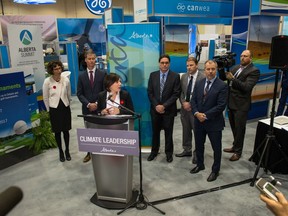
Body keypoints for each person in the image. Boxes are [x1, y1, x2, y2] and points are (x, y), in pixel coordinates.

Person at [190, 60, 227, 182]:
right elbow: (193, 100)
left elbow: (221, 106)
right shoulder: (199, 83)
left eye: (213, 69)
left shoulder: (222, 85)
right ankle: (200, 165)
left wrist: (204, 115)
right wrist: (196, 113)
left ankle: (215, 170)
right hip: (199, 122)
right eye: (208, 69)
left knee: (216, 148)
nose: (210, 71)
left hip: (214, 123)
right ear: (204, 70)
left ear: (216, 70)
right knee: (199, 145)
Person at [223, 50, 260, 161]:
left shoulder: (254, 71)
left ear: (251, 58)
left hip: (241, 105)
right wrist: (221, 70)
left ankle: (238, 152)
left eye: (245, 56)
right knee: (234, 128)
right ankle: (235, 146)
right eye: (241, 55)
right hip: (231, 102)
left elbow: (246, 87)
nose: (242, 58)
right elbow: (225, 78)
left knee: (240, 130)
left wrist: (233, 79)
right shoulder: (236, 68)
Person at [147, 54, 181, 163]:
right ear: (159, 64)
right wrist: (157, 105)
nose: (164, 65)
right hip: (155, 110)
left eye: (166, 63)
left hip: (168, 111)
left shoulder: (175, 76)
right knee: (155, 133)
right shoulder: (153, 75)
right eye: (162, 63)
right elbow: (150, 92)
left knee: (168, 133)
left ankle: (168, 153)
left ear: (169, 64)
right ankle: (154, 152)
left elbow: (176, 94)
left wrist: (164, 106)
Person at [77, 49, 106, 163]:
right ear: (85, 60)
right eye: (89, 59)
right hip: (87, 108)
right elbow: (79, 93)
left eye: (93, 59)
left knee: (100, 130)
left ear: (96, 60)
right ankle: (89, 153)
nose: (91, 61)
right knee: (89, 131)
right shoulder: (81, 76)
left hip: (100, 108)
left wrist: (97, 104)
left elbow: (105, 91)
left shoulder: (102, 74)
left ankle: (101, 151)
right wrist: (88, 104)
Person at [175, 57, 205, 165]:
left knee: (197, 132)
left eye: (191, 65)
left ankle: (197, 153)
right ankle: (187, 149)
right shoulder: (183, 77)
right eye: (187, 65)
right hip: (185, 109)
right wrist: (183, 102)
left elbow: (204, 95)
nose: (189, 67)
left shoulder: (203, 77)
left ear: (196, 65)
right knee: (186, 130)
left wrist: (191, 104)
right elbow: (180, 92)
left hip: (196, 110)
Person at [43, 61, 72, 162]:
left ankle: (67, 150)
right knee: (57, 132)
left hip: (65, 107)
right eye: (56, 69)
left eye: (60, 68)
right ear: (52, 70)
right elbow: (45, 98)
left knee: (66, 131)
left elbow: (69, 94)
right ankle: (60, 151)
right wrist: (48, 110)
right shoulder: (47, 81)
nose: (58, 71)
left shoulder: (66, 80)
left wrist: (68, 105)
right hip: (54, 109)